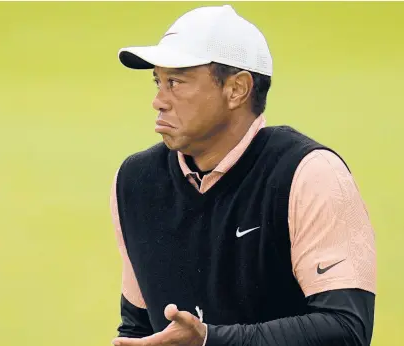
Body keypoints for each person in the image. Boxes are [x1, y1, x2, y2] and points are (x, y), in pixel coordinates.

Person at [110, 5, 376, 346]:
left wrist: (210, 340)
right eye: (158, 82)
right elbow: (139, 327)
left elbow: (346, 330)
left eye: (176, 82)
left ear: (237, 89)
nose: (158, 101)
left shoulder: (309, 174)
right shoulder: (136, 182)